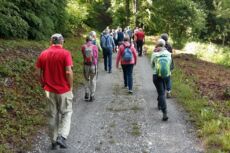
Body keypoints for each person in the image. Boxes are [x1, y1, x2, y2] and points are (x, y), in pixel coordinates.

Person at [35, 34, 73, 149]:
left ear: (51, 41)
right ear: (62, 42)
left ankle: (53, 140)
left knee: (52, 115)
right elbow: (69, 72)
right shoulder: (65, 53)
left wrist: (43, 84)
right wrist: (70, 87)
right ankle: (62, 136)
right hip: (63, 90)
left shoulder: (43, 54)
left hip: (48, 90)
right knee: (67, 112)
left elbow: (37, 72)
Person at [151, 38, 171, 121]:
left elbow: (152, 65)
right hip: (166, 75)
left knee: (161, 93)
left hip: (157, 75)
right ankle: (160, 104)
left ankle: (164, 111)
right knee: (162, 91)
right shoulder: (168, 53)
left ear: (157, 45)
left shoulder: (155, 54)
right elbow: (170, 64)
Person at [81, 36, 98, 102]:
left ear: (86, 40)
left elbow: (83, 54)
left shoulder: (83, 47)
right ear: (91, 40)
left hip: (86, 65)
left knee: (86, 79)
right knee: (93, 80)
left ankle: (86, 93)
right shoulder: (94, 47)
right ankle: (92, 95)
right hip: (93, 65)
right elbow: (96, 56)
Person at [161, 33, 174, 98]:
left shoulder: (159, 45)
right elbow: (171, 55)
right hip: (169, 63)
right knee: (168, 78)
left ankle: (162, 90)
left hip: (161, 63)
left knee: (161, 77)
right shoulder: (169, 45)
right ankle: (168, 91)